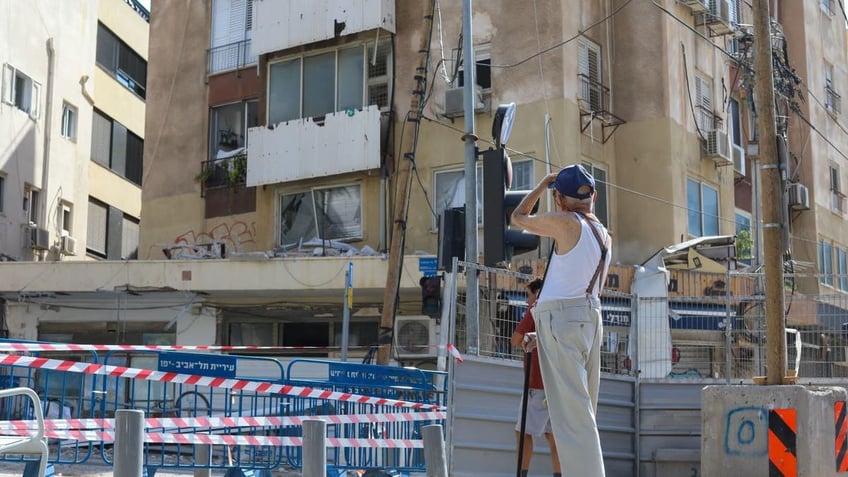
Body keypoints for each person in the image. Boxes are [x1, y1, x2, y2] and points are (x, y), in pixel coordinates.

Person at [510, 164, 611, 477]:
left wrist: (540, 184)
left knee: (573, 420)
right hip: (587, 318)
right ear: (593, 195)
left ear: (559, 198)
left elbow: (518, 217)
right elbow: (576, 291)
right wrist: (544, 334)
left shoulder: (566, 221)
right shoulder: (603, 233)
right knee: (582, 413)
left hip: (565, 318)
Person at [511, 277, 561, 477]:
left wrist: (528, 333)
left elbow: (515, 339)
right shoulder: (557, 311)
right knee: (553, 436)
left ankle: (522, 474)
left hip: (537, 385)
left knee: (522, 432)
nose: (527, 300)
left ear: (537, 294)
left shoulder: (535, 311)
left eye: (529, 295)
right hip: (555, 386)